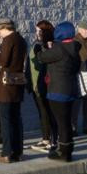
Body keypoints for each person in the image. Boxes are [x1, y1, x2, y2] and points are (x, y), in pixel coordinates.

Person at [37, 21, 82, 162]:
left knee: (61, 123)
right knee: (67, 122)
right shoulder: (75, 47)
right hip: (70, 89)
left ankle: (63, 152)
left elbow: (41, 58)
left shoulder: (60, 48)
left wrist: (43, 48)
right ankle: (67, 149)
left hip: (57, 91)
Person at [0, 18, 28, 163]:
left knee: (5, 120)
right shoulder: (21, 39)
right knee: (16, 119)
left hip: (6, 86)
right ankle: (18, 152)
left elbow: (4, 62)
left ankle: (6, 153)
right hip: (18, 83)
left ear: (2, 28)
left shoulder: (8, 40)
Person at [29, 20, 57, 153]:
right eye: (36, 31)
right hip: (36, 84)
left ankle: (51, 140)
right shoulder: (37, 44)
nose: (37, 33)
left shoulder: (49, 45)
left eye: (40, 31)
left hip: (45, 84)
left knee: (47, 112)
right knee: (42, 112)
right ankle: (45, 138)